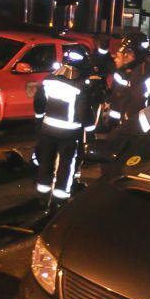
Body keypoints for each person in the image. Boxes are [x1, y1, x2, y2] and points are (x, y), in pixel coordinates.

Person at [33, 48, 97, 202]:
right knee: (66, 166)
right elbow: (84, 113)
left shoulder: (49, 79)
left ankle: (42, 196)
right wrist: (90, 132)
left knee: (46, 163)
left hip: (47, 130)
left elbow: (39, 102)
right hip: (69, 133)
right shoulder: (81, 85)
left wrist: (40, 120)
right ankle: (60, 200)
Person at [108, 32, 150, 132]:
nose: (124, 56)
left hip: (138, 127)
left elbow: (138, 102)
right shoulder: (135, 70)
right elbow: (120, 97)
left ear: (137, 53)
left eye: (129, 52)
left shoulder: (144, 72)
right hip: (131, 124)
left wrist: (127, 123)